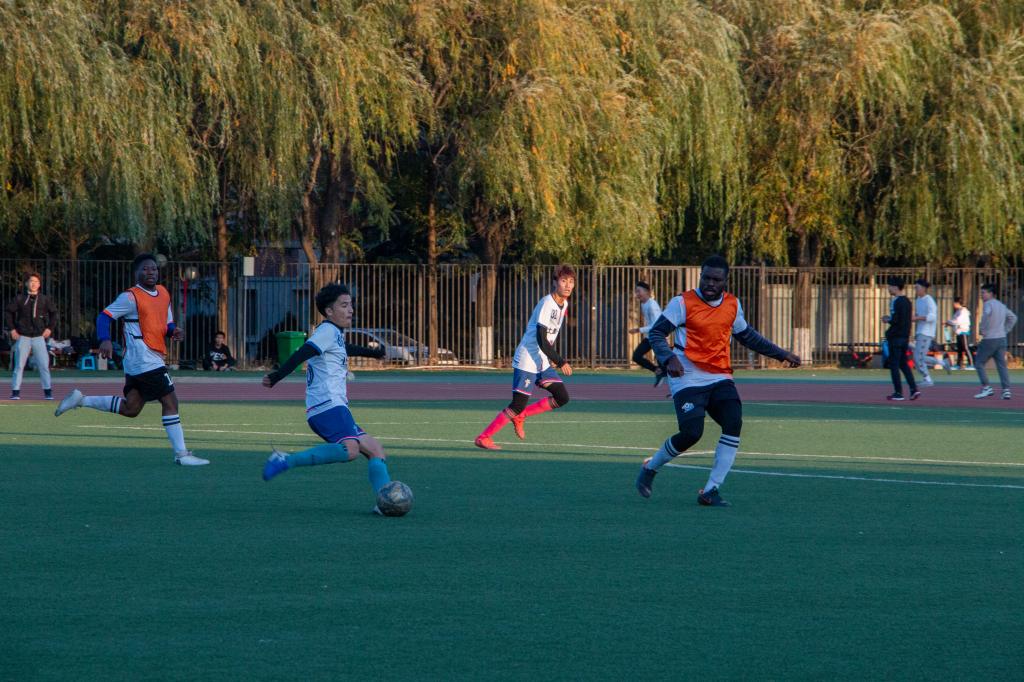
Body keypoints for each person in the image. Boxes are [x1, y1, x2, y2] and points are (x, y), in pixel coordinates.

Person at [634, 255, 800, 507]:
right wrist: (669, 358)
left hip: (720, 375)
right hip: (687, 376)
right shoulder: (682, 303)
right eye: (706, 278)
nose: (710, 283)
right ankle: (650, 469)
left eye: (716, 279)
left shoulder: (732, 304)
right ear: (700, 276)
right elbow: (657, 333)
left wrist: (781, 354)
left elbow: (748, 336)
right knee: (692, 433)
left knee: (733, 422)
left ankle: (710, 490)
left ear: (725, 281)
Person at [54, 253, 208, 466]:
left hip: (144, 360)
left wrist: (174, 331)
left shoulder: (163, 293)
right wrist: (105, 340)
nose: (150, 272)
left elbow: (166, 324)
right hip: (143, 359)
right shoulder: (130, 297)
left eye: (153, 268)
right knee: (170, 401)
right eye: (145, 269)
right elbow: (104, 317)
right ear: (136, 273)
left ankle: (81, 400)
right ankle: (182, 455)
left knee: (131, 408)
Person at [260, 284, 394, 512]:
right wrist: (277, 376)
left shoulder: (334, 334)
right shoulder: (327, 331)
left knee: (375, 450)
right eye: (344, 305)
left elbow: (345, 348)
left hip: (334, 407)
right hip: (327, 406)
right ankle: (284, 460)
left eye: (351, 304)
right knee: (350, 449)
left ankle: (385, 502)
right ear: (329, 311)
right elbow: (304, 352)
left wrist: (373, 353)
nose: (350, 310)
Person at [475, 265, 575, 450]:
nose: (568, 285)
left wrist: (549, 357)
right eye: (563, 281)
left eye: (571, 281)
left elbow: (549, 337)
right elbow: (541, 339)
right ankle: (483, 437)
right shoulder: (547, 303)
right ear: (555, 283)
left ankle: (521, 416)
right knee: (517, 404)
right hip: (527, 359)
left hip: (541, 360)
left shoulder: (565, 304)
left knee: (562, 397)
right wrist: (560, 361)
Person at [5, 273, 58, 400]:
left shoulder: (44, 299)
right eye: (31, 281)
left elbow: (54, 313)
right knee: (19, 366)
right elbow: (8, 312)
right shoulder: (20, 299)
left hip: (39, 337)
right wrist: (12, 329)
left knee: (44, 365)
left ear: (39, 284)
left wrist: (49, 328)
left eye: (36, 281)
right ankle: (15, 392)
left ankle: (48, 392)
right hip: (23, 336)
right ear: (26, 283)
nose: (33, 284)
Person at [972, 283, 1017, 400]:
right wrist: (1005, 330)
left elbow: (986, 316)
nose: (981, 295)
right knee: (1002, 365)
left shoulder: (988, 304)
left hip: (989, 339)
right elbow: (1013, 317)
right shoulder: (1001, 305)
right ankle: (1006, 390)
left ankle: (986, 387)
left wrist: (982, 329)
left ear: (991, 293)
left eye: (983, 293)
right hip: (1001, 339)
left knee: (979, 363)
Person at [882, 277, 920, 401]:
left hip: (896, 338)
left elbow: (896, 320)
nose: (888, 288)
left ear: (895, 287)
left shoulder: (896, 301)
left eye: (889, 286)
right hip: (904, 337)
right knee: (903, 364)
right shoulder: (907, 301)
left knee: (894, 365)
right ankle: (914, 389)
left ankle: (898, 392)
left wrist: (887, 319)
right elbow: (906, 320)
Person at [910, 279, 948, 386]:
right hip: (920, 332)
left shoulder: (929, 300)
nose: (915, 290)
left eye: (917, 287)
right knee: (919, 357)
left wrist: (918, 318)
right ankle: (942, 363)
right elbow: (918, 315)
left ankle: (927, 379)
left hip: (927, 333)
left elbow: (932, 317)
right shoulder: (918, 300)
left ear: (923, 288)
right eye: (915, 287)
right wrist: (914, 317)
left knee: (918, 357)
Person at [628, 281, 666, 386]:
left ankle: (676, 381)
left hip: (658, 337)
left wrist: (638, 330)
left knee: (664, 362)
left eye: (639, 291)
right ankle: (658, 371)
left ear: (647, 292)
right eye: (636, 291)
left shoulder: (652, 305)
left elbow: (656, 324)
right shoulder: (643, 304)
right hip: (650, 337)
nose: (637, 294)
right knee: (636, 357)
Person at [943, 296, 973, 370]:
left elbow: (957, 321)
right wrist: (948, 323)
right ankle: (958, 364)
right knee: (959, 349)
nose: (953, 304)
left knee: (965, 348)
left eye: (954, 302)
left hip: (963, 332)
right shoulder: (958, 311)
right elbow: (954, 322)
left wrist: (948, 322)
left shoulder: (963, 311)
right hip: (959, 332)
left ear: (957, 303)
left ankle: (971, 364)